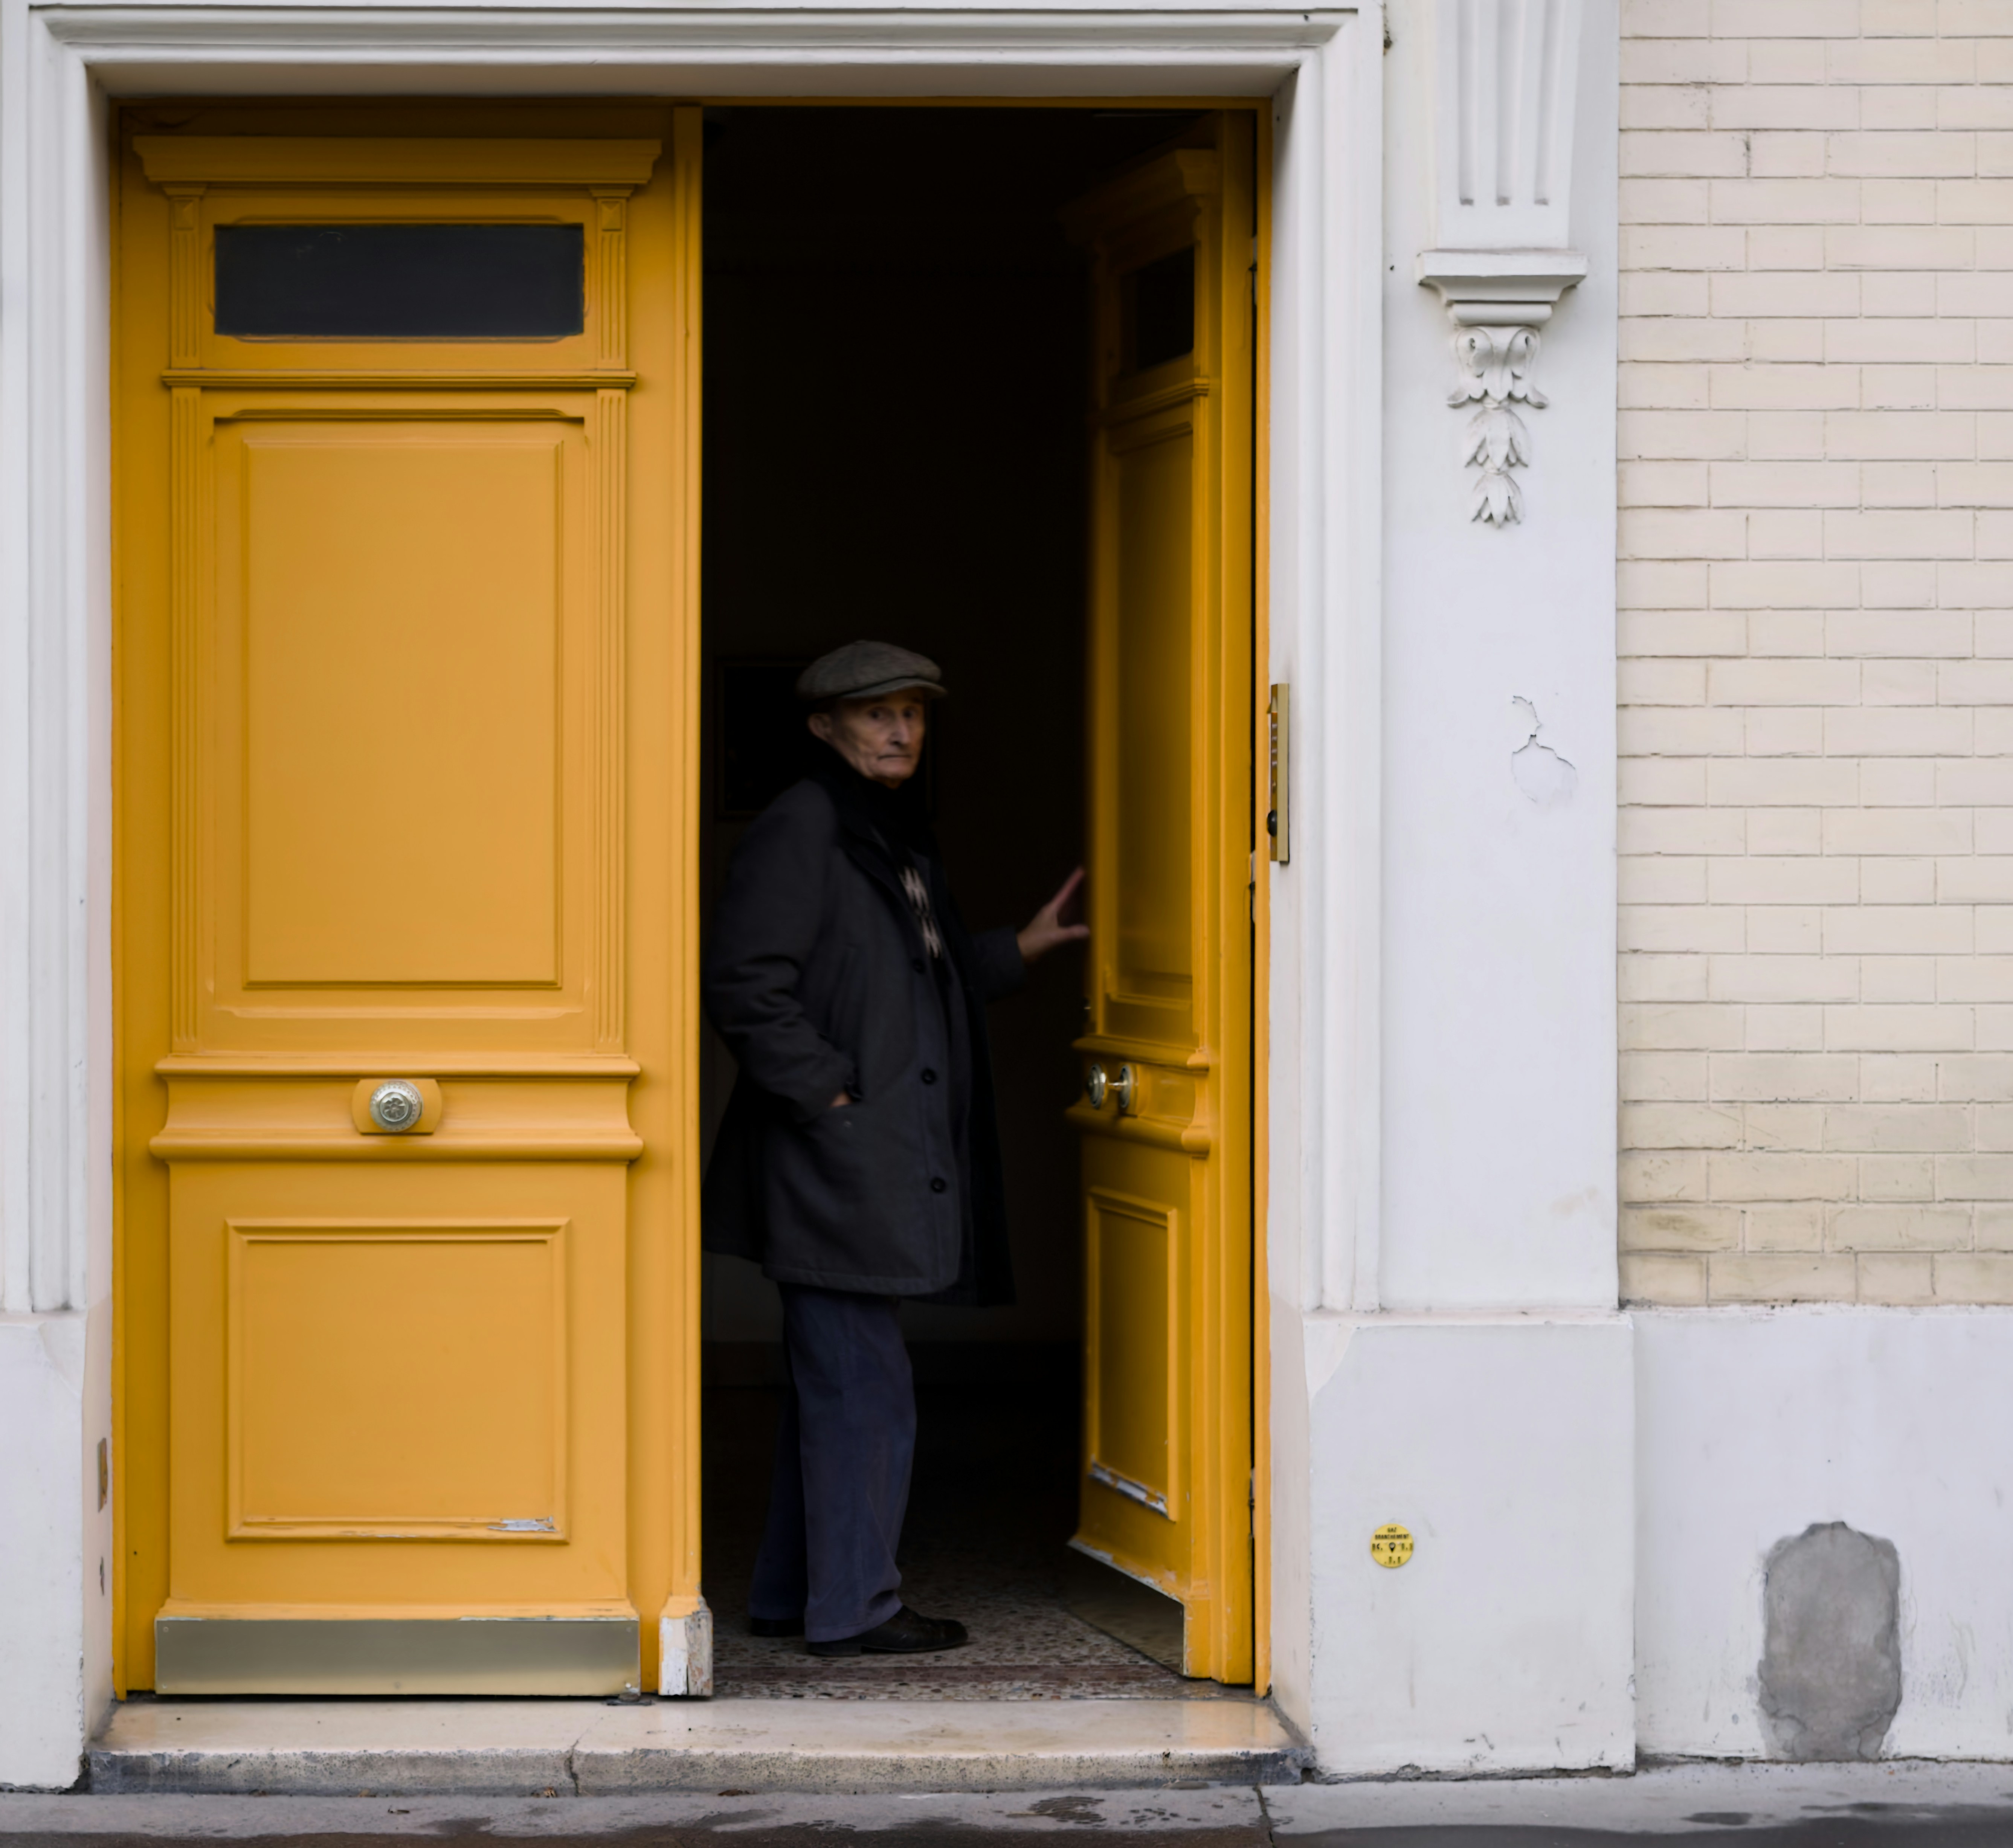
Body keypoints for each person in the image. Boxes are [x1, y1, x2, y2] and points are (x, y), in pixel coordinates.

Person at [702, 639, 1085, 1658]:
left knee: (838, 1387)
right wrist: (829, 1094)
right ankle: (857, 1609)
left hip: (857, 1155)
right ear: (824, 724)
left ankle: (798, 1596)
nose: (900, 729)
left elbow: (909, 978)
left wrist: (1020, 947)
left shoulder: (882, 829)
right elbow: (746, 983)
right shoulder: (804, 826)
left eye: (913, 712)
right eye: (876, 714)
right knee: (865, 1389)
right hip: (830, 1158)